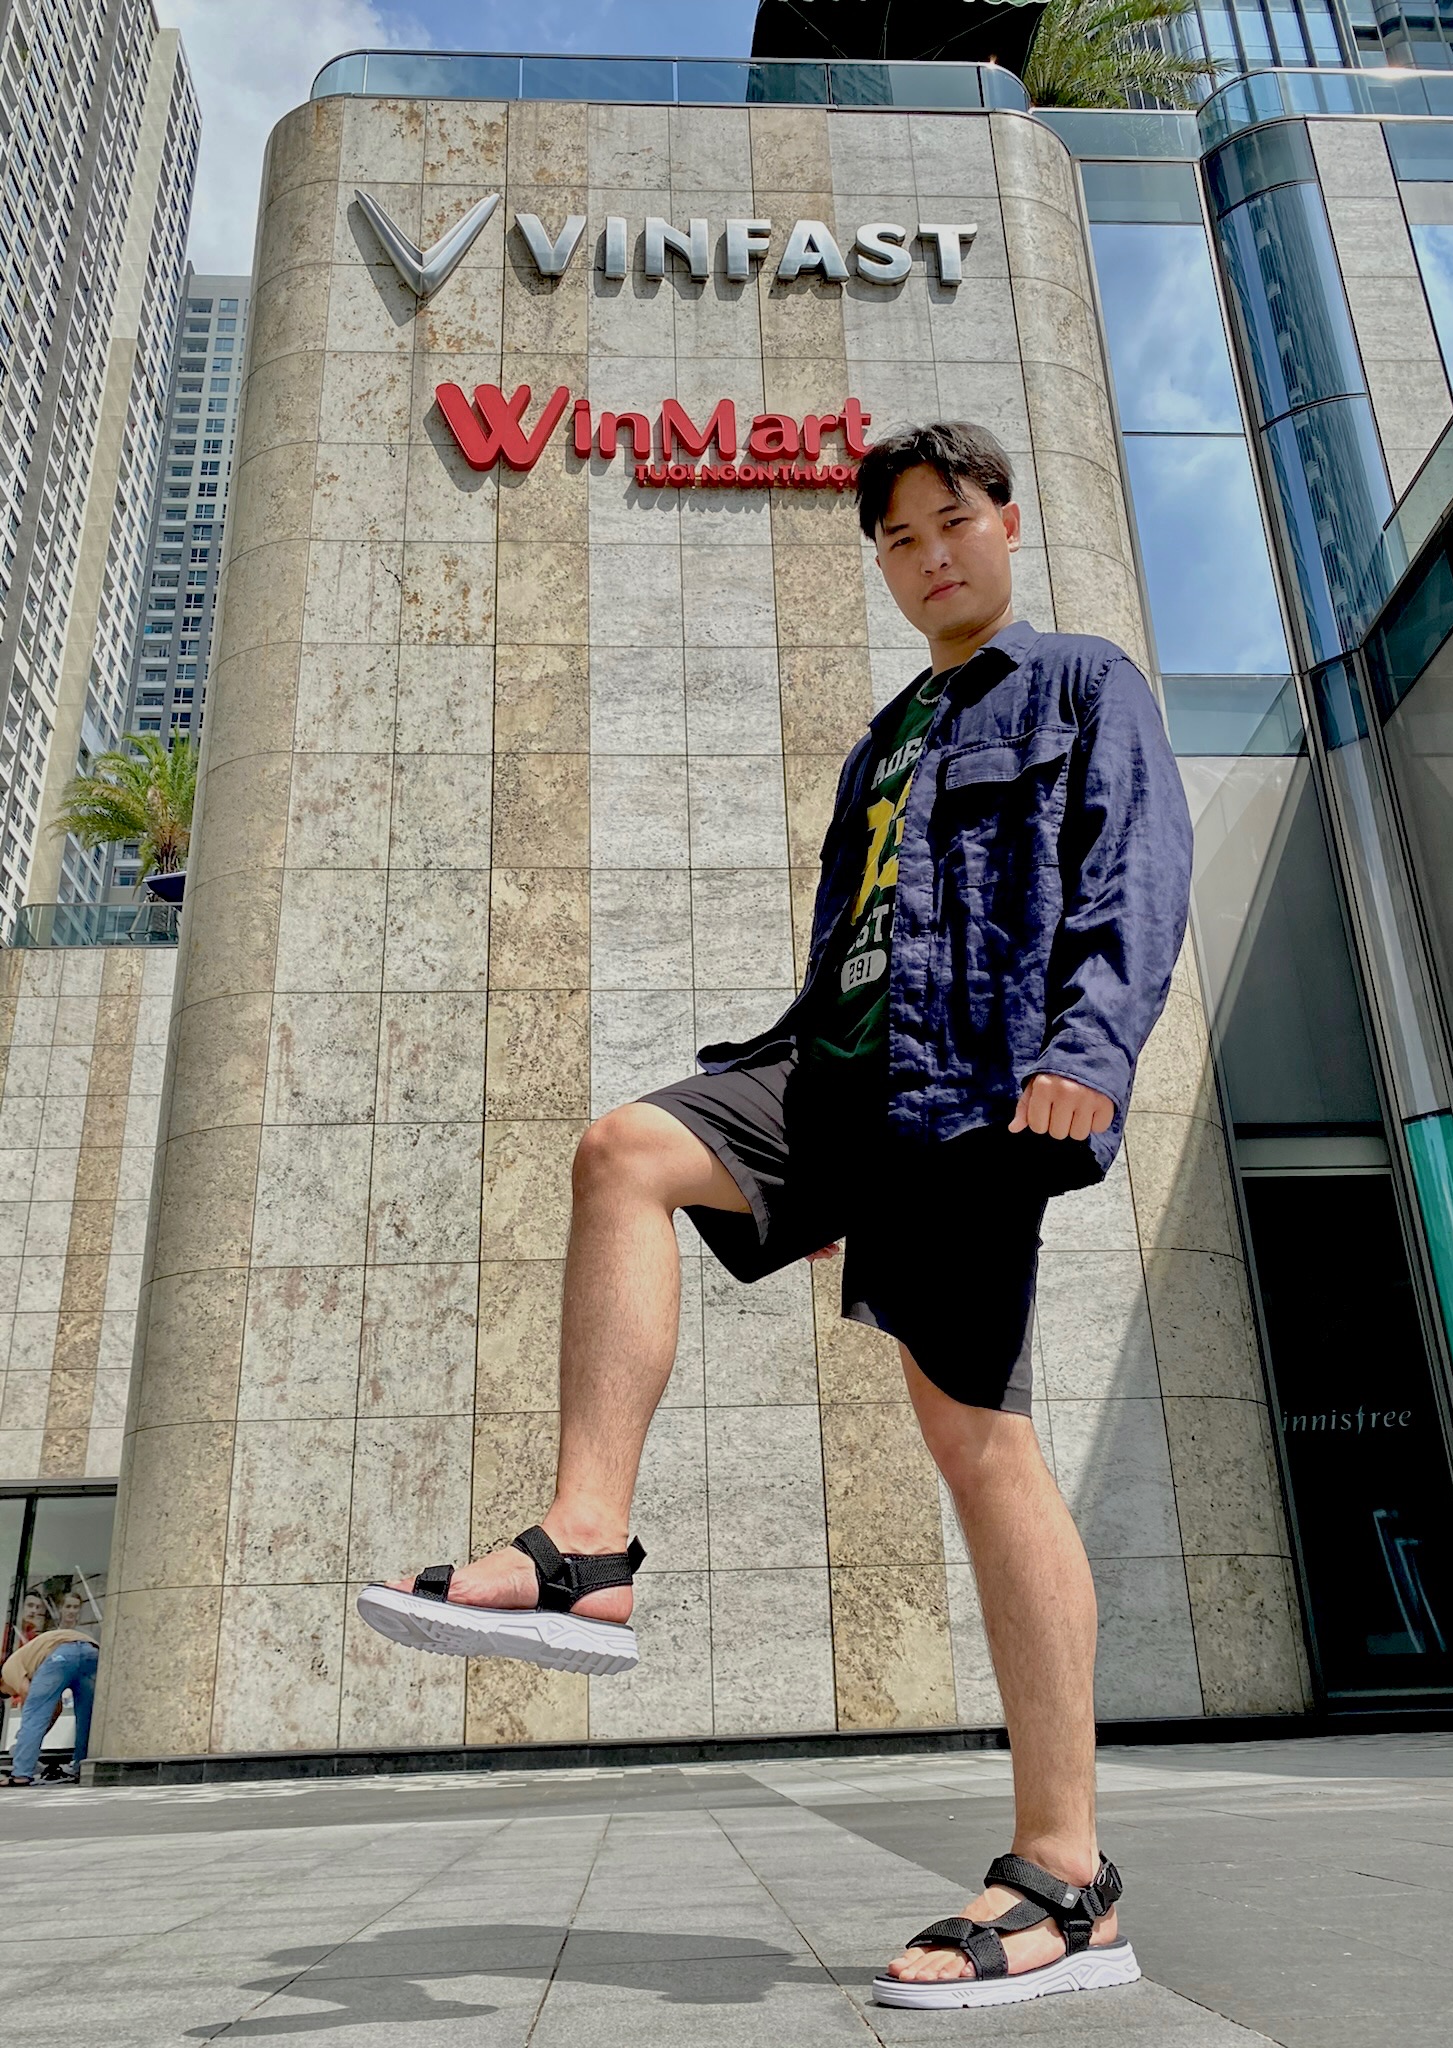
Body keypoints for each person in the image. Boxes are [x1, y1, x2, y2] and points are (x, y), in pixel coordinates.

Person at [357, 420, 1194, 2011]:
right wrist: (803, 1176)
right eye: (899, 541)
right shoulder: (887, 738)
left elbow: (1134, 871)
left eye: (952, 523)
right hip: (838, 1080)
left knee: (981, 1449)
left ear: (1007, 523)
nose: (929, 557)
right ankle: (585, 1546)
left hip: (972, 1095)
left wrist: (1090, 1050)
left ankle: (1066, 1874)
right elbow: (850, 951)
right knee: (628, 1152)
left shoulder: (1083, 685)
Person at [2, 1627, 99, 1787]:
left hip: (60, 1654)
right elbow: (56, 1708)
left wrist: (22, 1739)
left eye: (8, 1693)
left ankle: (21, 1774)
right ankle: (80, 1767)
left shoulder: (7, 1670)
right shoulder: (29, 1659)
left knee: (33, 1715)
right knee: (87, 1717)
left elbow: (30, 1702)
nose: (14, 1693)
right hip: (91, 1651)